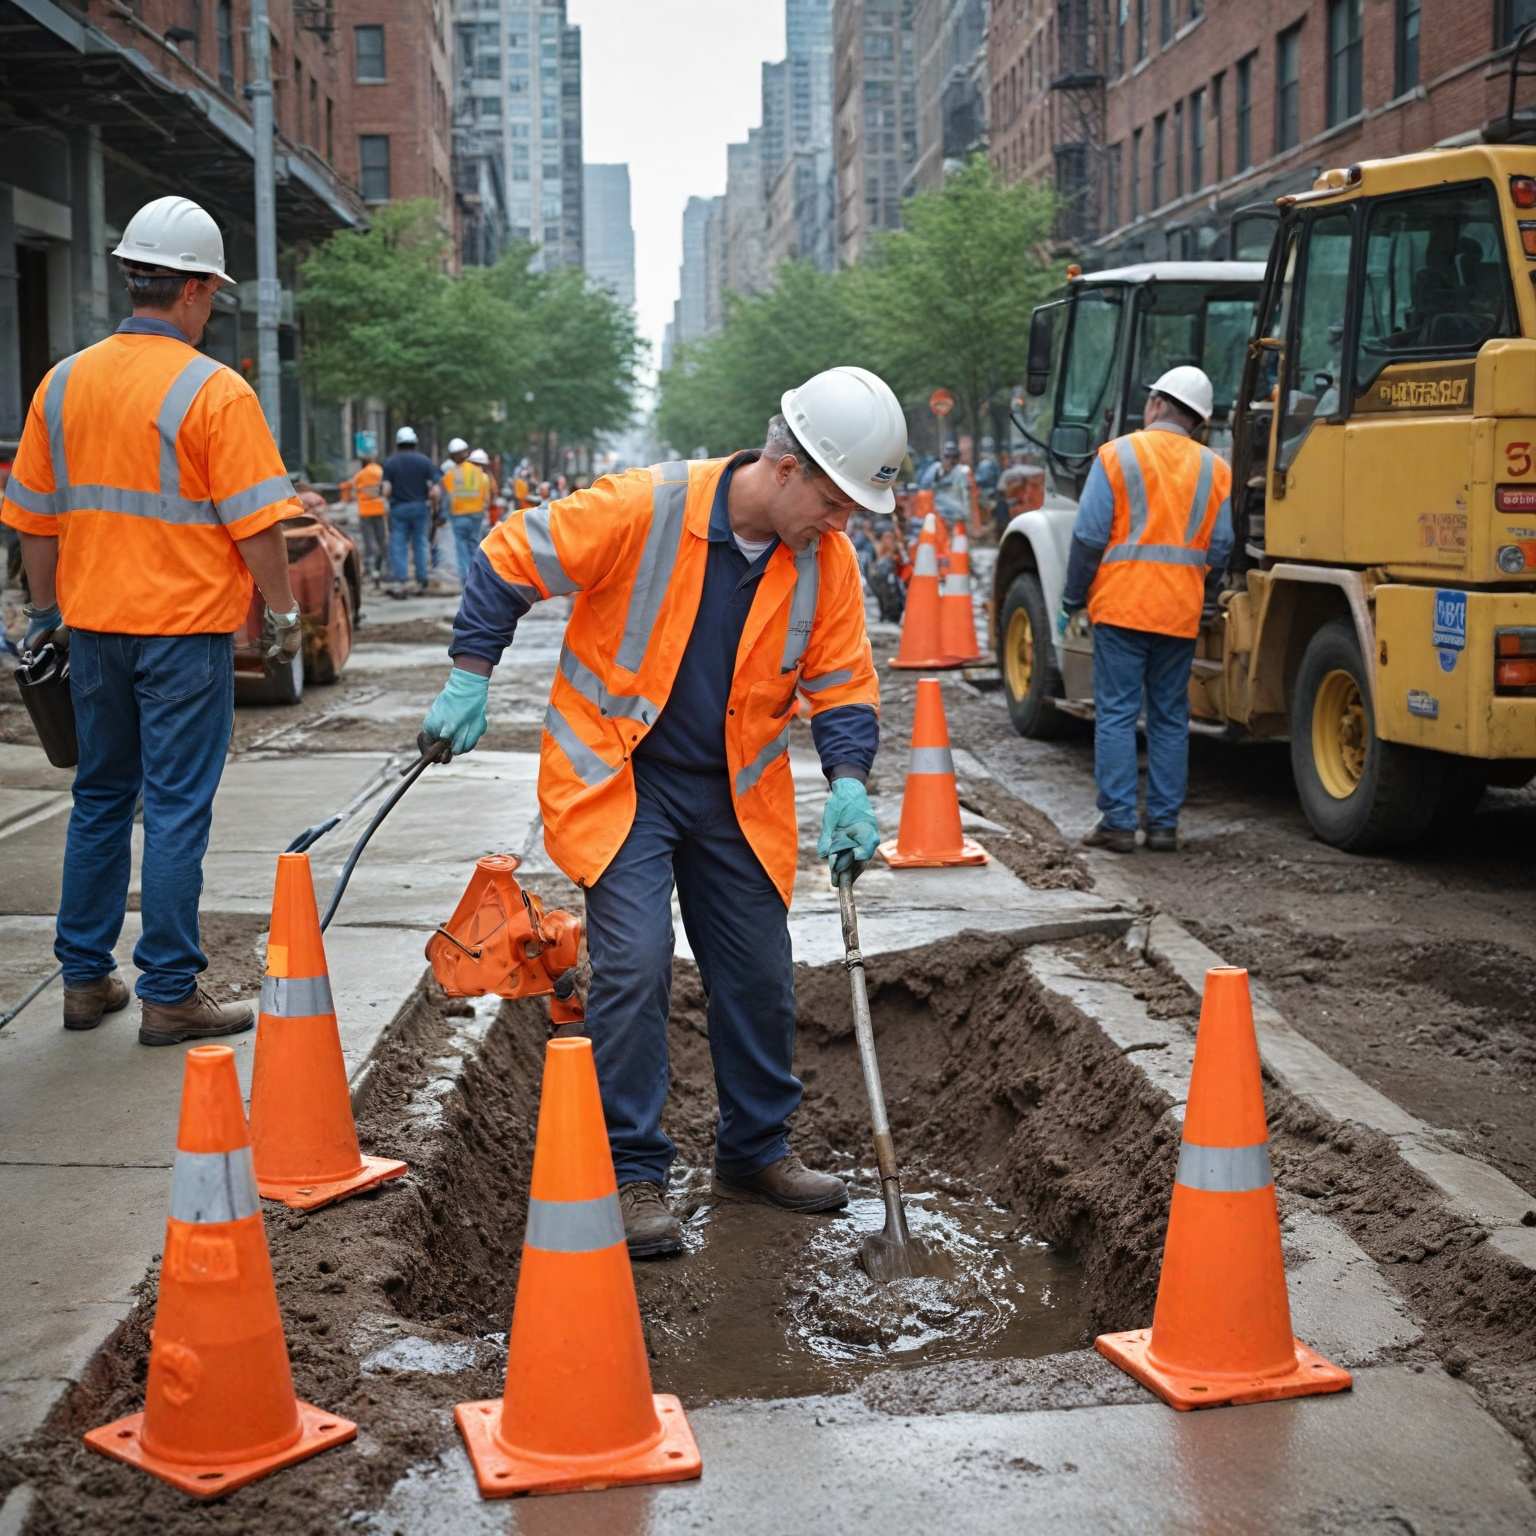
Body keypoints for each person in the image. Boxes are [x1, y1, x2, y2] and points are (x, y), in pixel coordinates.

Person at [420, 366, 906, 1258]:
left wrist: (848, 781)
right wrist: (469, 672)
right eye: (837, 502)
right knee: (636, 965)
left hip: (735, 790)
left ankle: (756, 1150)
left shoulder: (823, 564)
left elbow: (842, 685)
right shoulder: (643, 508)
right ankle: (634, 1170)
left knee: (759, 971)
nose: (843, 526)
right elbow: (507, 557)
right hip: (623, 777)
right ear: (787, 467)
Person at [0, 194, 303, 1042]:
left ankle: (86, 980)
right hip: (182, 640)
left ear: (133, 277)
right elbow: (259, 525)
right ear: (200, 289)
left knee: (100, 799)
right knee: (173, 808)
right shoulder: (215, 391)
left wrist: (47, 612)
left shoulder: (63, 383)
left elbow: (31, 518)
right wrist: (281, 614)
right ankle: (169, 992)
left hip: (93, 633)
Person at [1057, 366, 1233, 854]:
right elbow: (1221, 547)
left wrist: (1072, 597)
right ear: (1198, 420)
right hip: (1179, 611)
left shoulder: (1117, 455)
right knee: (1170, 718)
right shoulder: (1215, 468)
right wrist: (1203, 590)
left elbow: (1089, 536)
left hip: (1121, 606)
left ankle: (1117, 823)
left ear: (1157, 404)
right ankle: (1162, 826)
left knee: (1115, 714)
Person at [381, 426, 440, 593]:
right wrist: (435, 509)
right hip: (420, 508)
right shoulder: (425, 461)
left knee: (398, 544)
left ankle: (402, 580)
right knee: (420, 543)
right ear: (414, 442)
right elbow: (435, 490)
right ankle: (422, 580)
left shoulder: (390, 462)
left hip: (398, 509)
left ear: (398, 443)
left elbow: (386, 489)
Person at [442, 446, 493, 582]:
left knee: (461, 547)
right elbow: (486, 500)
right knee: (474, 545)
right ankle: (476, 577)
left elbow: (447, 496)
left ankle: (465, 578)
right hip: (476, 515)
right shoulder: (482, 476)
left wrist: (444, 514)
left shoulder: (453, 473)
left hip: (458, 515)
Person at [342, 452, 388, 585]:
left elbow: (351, 488)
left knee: (368, 541)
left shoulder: (360, 474)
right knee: (381, 539)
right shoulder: (380, 471)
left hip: (365, 511)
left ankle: (369, 566)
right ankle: (384, 565)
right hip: (378, 509)